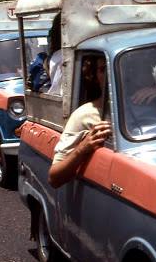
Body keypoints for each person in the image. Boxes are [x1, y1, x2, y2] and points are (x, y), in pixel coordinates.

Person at [48, 56, 111, 188]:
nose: (109, 74)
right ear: (95, 77)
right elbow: (54, 177)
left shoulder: (151, 104)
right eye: (103, 69)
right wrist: (84, 147)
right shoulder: (84, 115)